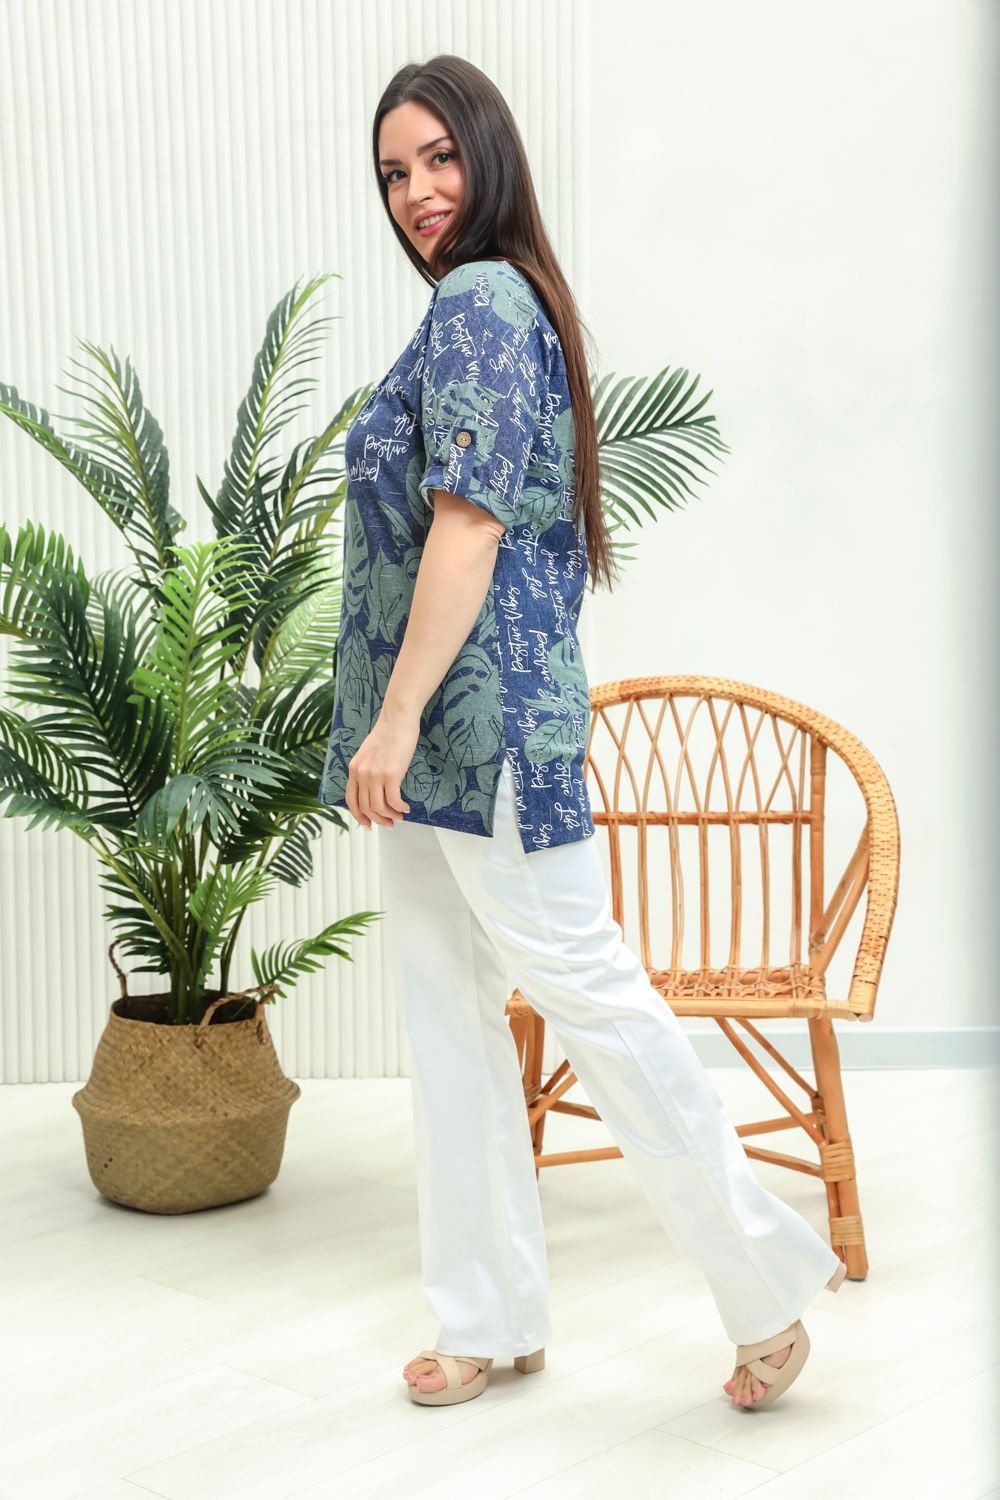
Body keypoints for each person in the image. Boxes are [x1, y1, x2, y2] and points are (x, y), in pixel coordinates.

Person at [317, 53, 846, 1411]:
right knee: (449, 1018)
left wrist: (392, 721)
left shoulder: (484, 301)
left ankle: (766, 1291)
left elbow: (470, 524)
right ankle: (486, 1316)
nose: (418, 191)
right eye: (394, 172)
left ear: (489, 155)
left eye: (440, 157)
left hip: (472, 726)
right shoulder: (478, 308)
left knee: (590, 998)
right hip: (443, 737)